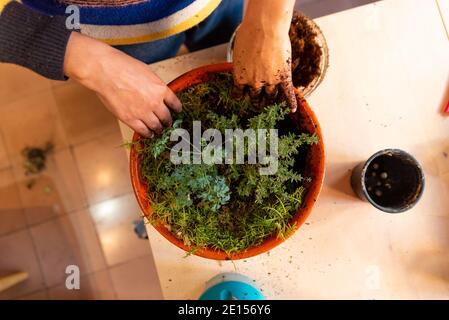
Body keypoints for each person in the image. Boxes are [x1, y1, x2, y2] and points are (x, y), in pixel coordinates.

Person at [0, 0, 297, 138]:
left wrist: (267, 22)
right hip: (116, 31)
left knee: (227, 58)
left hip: (216, 3)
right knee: (165, 95)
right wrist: (89, 62)